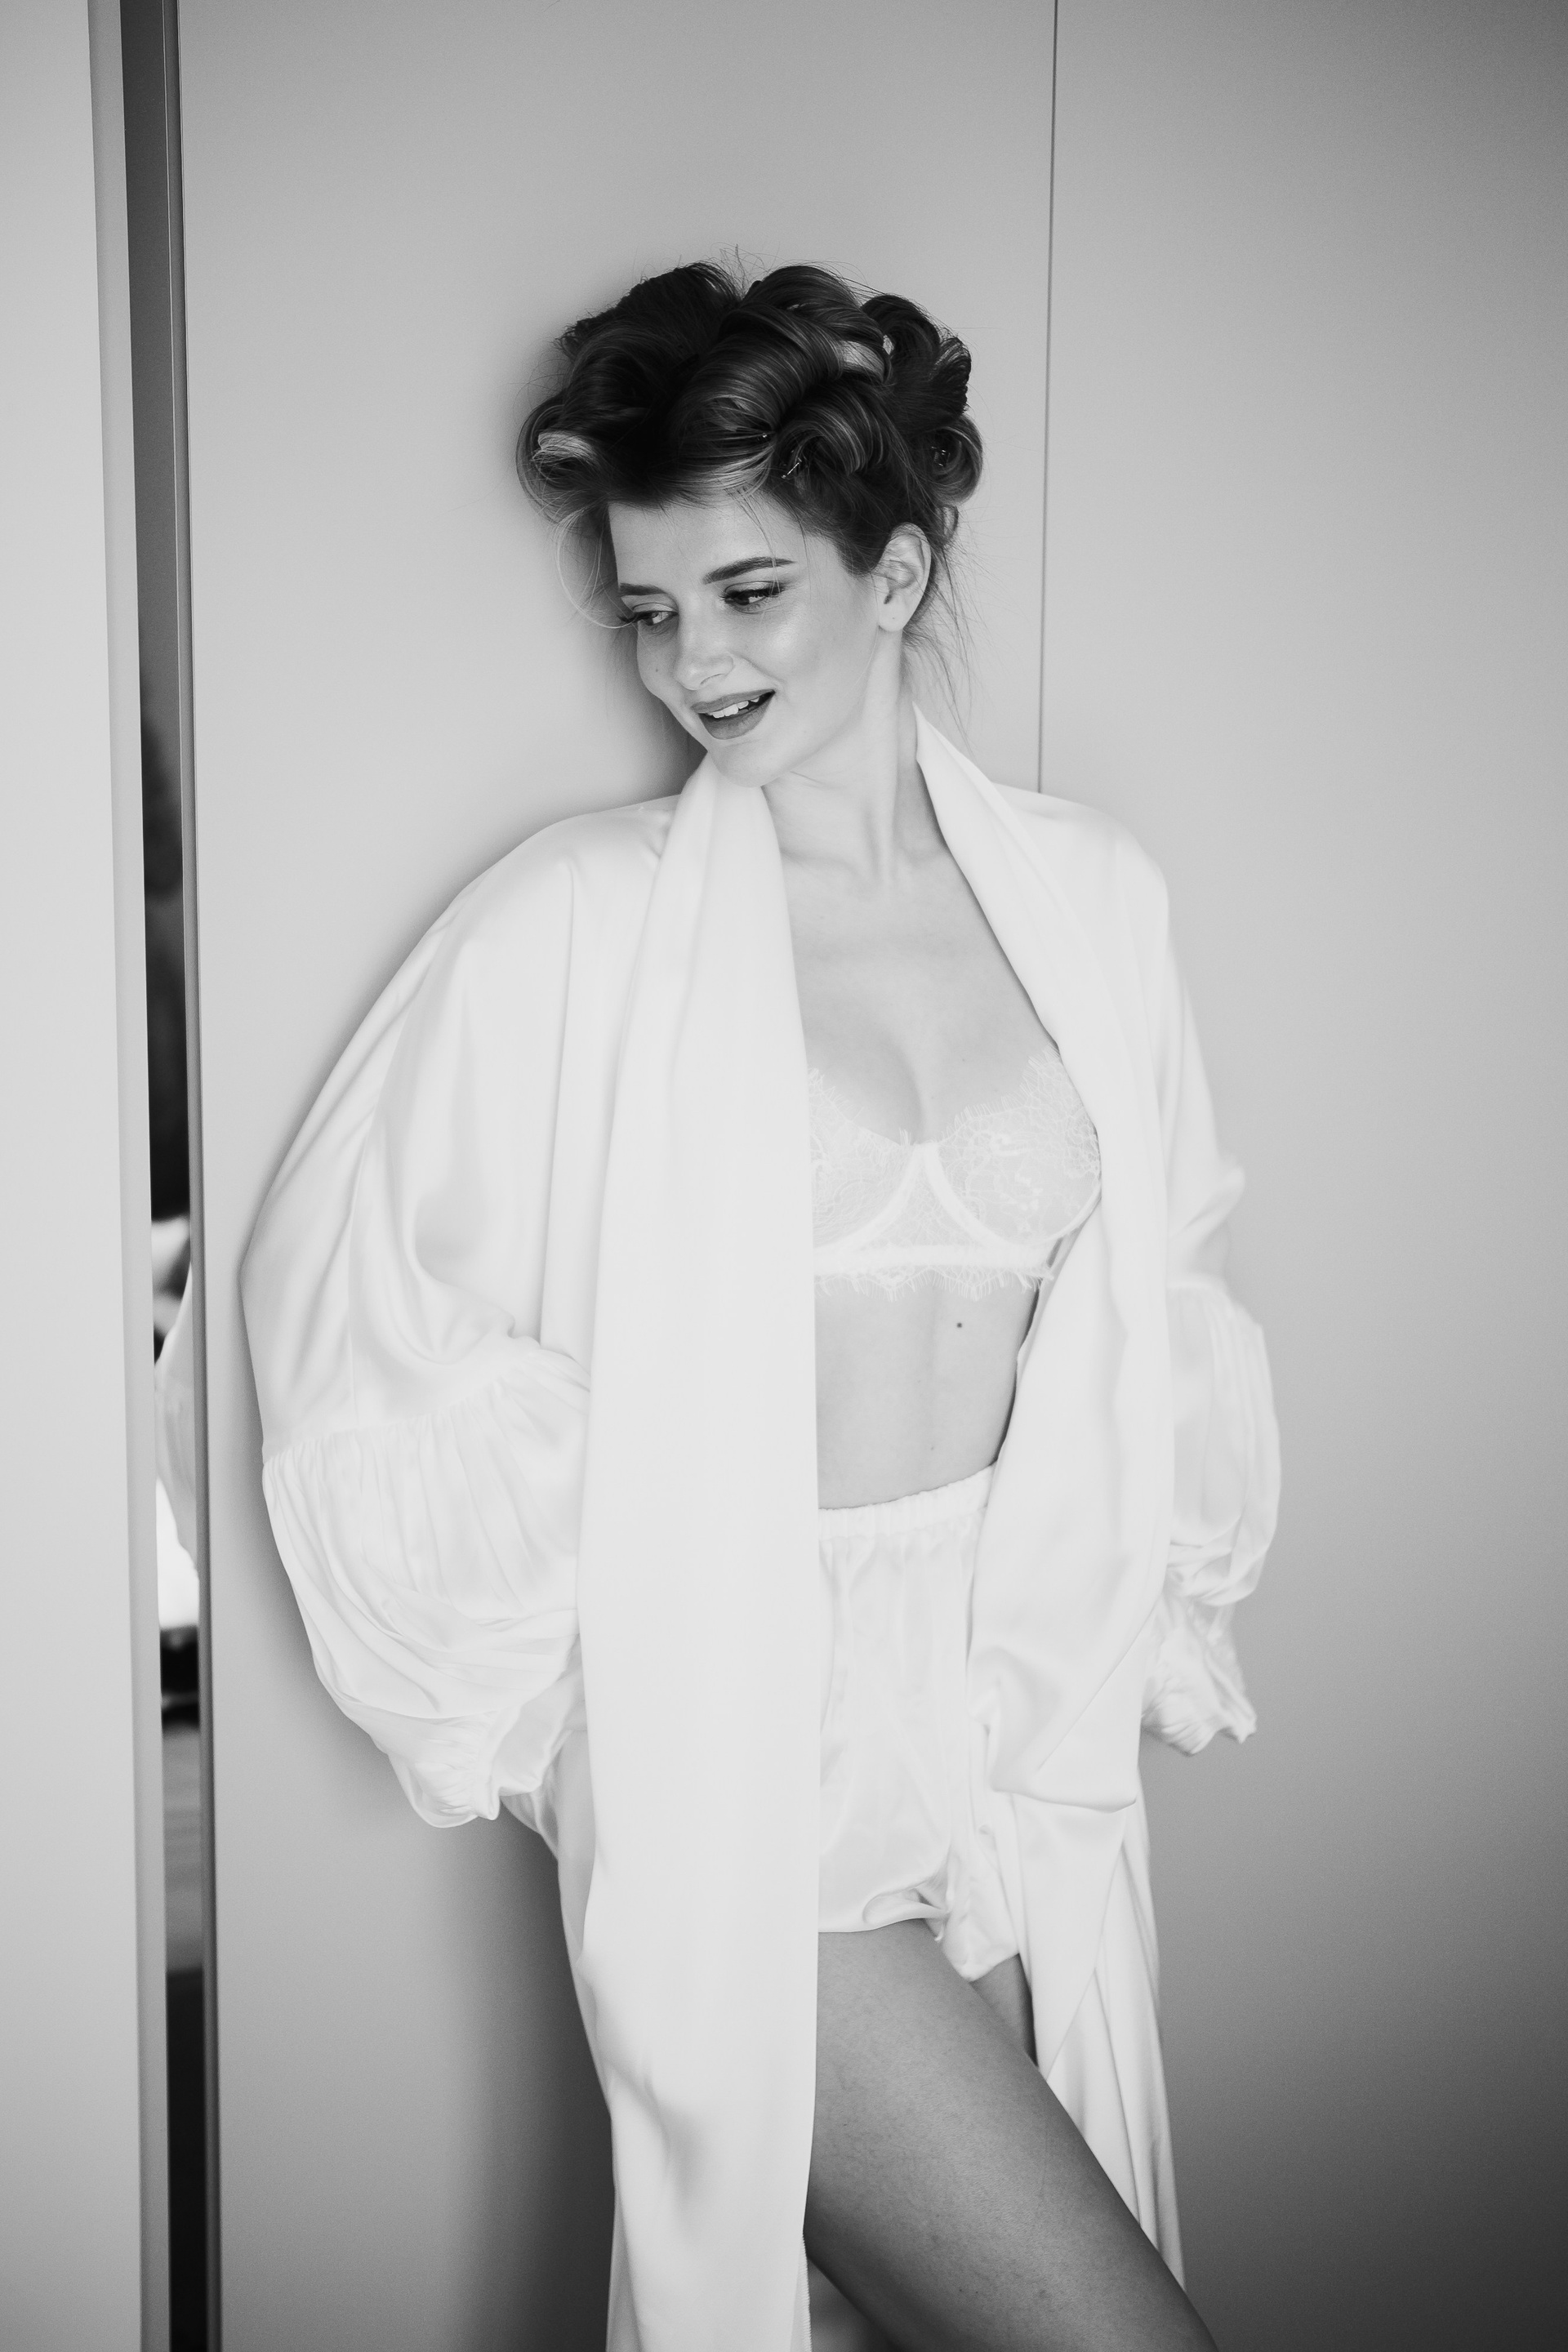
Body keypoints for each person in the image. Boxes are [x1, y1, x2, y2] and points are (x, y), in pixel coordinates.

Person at [242, 261, 1280, 2352]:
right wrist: (593, 1719)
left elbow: (1160, 1293)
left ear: (894, 575)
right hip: (743, 1756)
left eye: (746, 594)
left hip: (1015, 1732)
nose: (691, 663)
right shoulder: (580, 925)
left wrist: (1130, 1625)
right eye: (649, 609)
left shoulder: (1093, 902)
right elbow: (359, 1329)